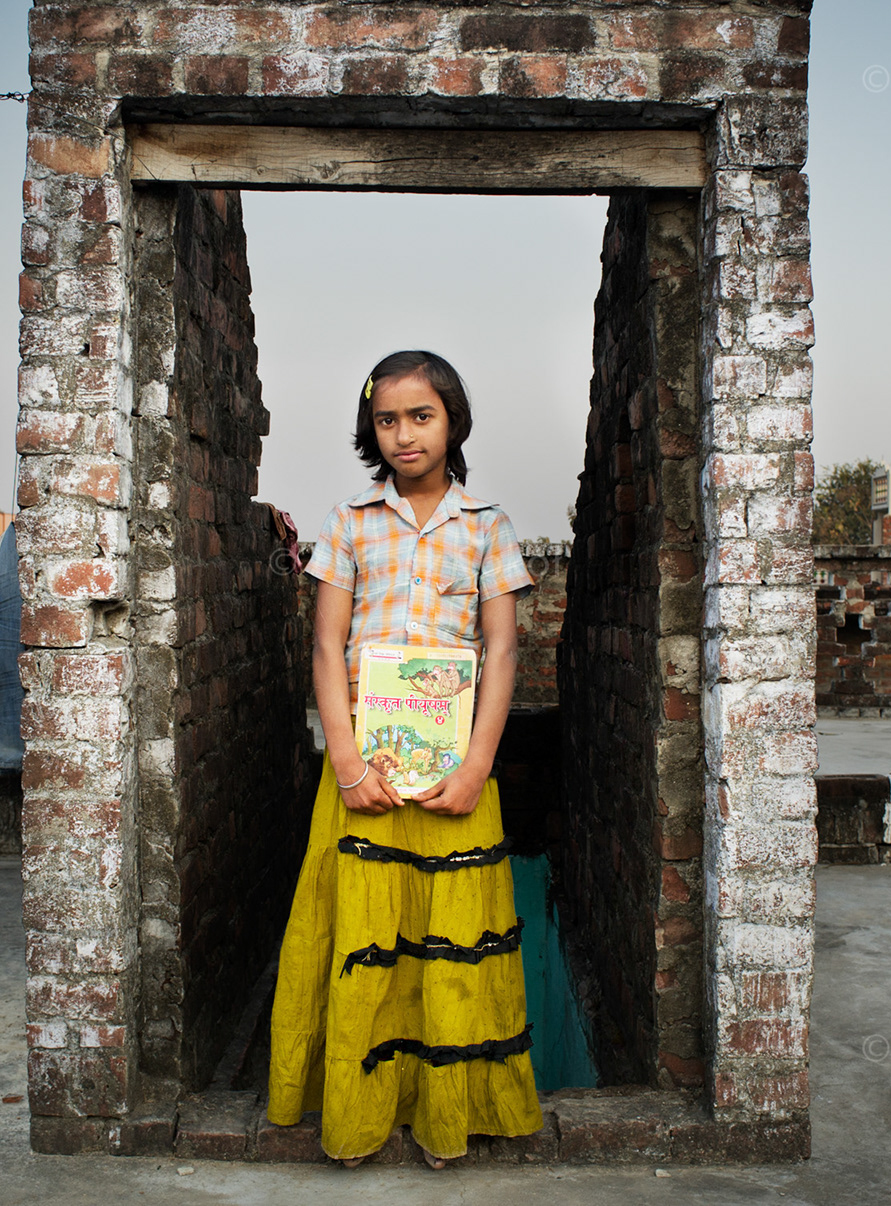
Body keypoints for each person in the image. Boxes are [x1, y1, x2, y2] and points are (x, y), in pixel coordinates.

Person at [266, 350, 544, 1168]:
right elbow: (325, 646)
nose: (404, 435)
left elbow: (500, 653)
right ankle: (356, 1115)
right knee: (364, 937)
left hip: (454, 777)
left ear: (451, 419)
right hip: (365, 777)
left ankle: (445, 1115)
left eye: (420, 416)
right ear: (371, 429)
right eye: (387, 420)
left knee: (448, 950)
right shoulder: (350, 524)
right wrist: (347, 764)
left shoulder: (487, 527)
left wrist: (477, 766)